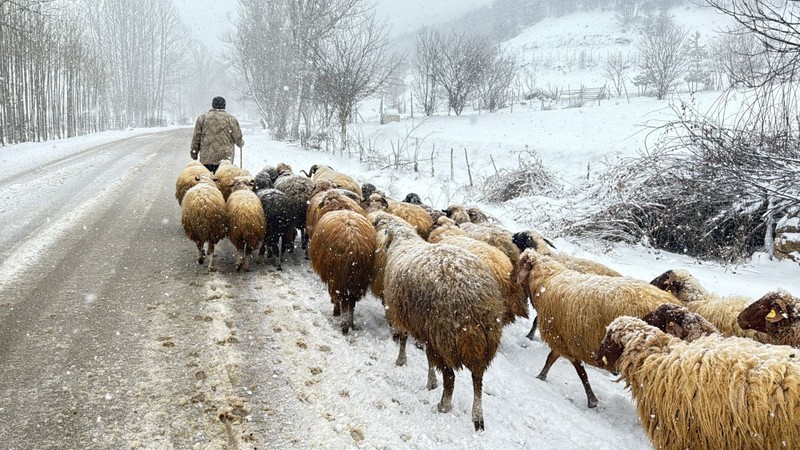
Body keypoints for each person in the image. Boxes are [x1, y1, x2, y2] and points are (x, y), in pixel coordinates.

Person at [190, 96, 244, 173]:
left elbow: (196, 137)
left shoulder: (202, 118)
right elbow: (238, 139)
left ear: (212, 105)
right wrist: (241, 143)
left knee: (207, 182)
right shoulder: (231, 119)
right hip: (225, 160)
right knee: (224, 182)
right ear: (224, 106)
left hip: (206, 159)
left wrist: (194, 153)